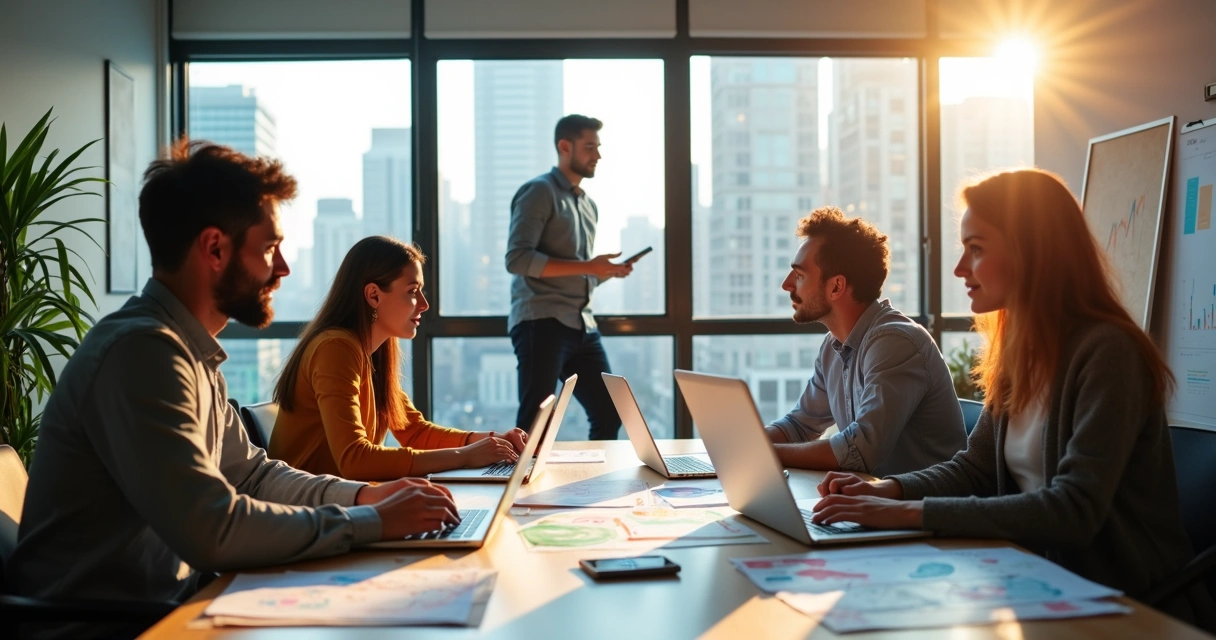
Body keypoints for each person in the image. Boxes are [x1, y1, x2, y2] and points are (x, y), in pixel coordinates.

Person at [7, 141, 460, 636]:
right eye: (269, 249)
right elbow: (213, 529)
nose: (283, 268)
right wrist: (370, 521)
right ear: (215, 249)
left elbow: (252, 478)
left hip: (177, 606)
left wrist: (365, 497)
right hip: (115, 626)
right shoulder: (141, 353)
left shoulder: (189, 353)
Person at [812, 169, 1216, 629]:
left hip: (1124, 608)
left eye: (976, 249)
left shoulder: (1108, 353)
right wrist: (885, 490)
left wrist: (904, 512)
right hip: (1034, 585)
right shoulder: (1019, 354)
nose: (960, 268)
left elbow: (1073, 510)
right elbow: (975, 468)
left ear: (1032, 252)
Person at [270, 236, 527, 481]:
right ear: (373, 295)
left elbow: (414, 431)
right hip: (311, 512)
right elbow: (354, 459)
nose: (424, 304)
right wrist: (464, 456)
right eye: (413, 291)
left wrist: (492, 441)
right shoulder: (335, 348)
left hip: (342, 502)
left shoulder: (375, 352)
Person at [765, 206, 966, 477]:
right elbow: (799, 426)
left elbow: (859, 450)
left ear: (836, 286)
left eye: (800, 275)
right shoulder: (832, 347)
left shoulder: (895, 342)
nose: (787, 284)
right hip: (870, 502)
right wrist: (745, 444)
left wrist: (765, 454)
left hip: (920, 511)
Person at [505, 114, 633, 440]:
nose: (598, 155)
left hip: (581, 326)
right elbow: (517, 259)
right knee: (535, 424)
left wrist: (604, 272)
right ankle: (518, 489)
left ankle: (595, 490)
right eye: (589, 147)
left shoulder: (589, 205)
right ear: (564, 147)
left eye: (598, 147)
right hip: (541, 321)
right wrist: (590, 266)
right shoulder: (538, 192)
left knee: (609, 414)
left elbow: (576, 271)